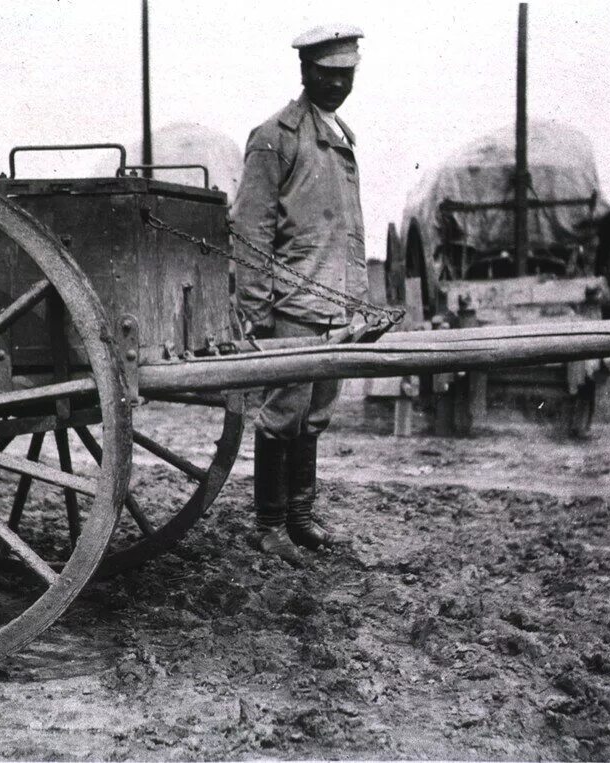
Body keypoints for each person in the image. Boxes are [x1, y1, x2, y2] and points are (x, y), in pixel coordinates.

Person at [231, 23, 368, 563]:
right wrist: (256, 307)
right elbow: (250, 228)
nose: (336, 84)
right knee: (283, 413)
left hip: (333, 306)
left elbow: (345, 230)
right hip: (292, 305)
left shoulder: (339, 136)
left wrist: (355, 298)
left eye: (345, 74)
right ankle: (268, 526)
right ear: (305, 72)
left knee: (315, 415)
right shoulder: (276, 137)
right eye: (326, 74)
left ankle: (299, 517)